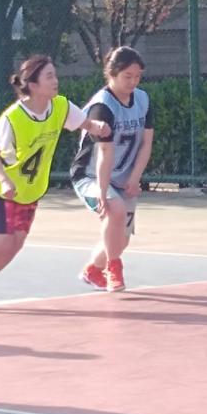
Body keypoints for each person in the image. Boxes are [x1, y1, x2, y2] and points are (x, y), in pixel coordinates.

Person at [0, 55, 110, 308]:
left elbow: (84, 122)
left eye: (55, 75)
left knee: (14, 246)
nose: (55, 80)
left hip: (29, 189)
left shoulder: (60, 106)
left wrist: (97, 126)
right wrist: (5, 181)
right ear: (33, 85)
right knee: (1, 242)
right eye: (49, 76)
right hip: (0, 187)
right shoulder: (14, 117)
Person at [71, 46, 153, 293]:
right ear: (112, 74)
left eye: (137, 76)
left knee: (122, 239)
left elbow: (146, 143)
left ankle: (93, 270)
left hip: (124, 177)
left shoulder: (142, 99)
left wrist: (135, 178)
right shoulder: (102, 107)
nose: (133, 82)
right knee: (115, 210)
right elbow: (105, 154)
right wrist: (103, 191)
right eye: (128, 76)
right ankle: (114, 269)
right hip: (91, 176)